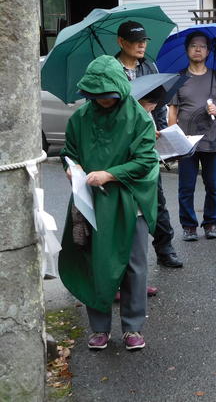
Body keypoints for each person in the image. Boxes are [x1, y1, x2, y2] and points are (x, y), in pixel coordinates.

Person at [59, 55, 159, 351]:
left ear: (120, 90)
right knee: (95, 263)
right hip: (90, 201)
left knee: (133, 266)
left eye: (108, 96)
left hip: (129, 200)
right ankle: (99, 328)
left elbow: (145, 161)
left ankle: (132, 328)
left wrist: (110, 174)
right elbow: (69, 151)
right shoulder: (79, 118)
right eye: (96, 96)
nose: (103, 101)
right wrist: (71, 167)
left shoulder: (138, 117)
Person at [116, 20, 182, 268]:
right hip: (123, 146)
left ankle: (165, 249)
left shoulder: (149, 66)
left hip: (148, 143)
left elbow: (159, 100)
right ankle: (128, 259)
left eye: (144, 41)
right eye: (135, 41)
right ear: (121, 42)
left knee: (157, 199)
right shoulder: (112, 69)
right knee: (125, 204)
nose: (141, 45)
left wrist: (159, 127)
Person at [168, 30, 216, 241]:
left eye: (202, 46)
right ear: (187, 49)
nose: (198, 49)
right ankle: (188, 226)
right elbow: (173, 111)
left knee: (213, 186)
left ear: (207, 50)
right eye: (193, 45)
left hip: (212, 141)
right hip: (186, 142)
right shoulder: (179, 77)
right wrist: (172, 138)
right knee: (186, 187)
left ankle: (211, 223)